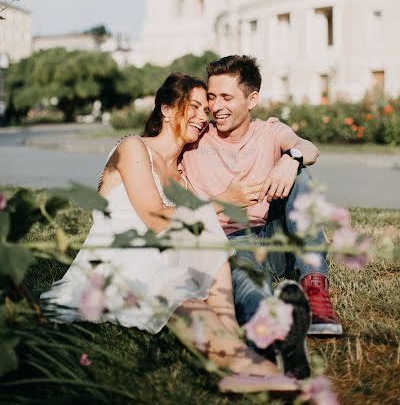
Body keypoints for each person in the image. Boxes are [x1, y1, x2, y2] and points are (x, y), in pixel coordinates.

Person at [41, 73, 298, 393]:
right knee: (177, 286)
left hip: (163, 256)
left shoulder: (181, 175)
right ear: (166, 109)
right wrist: (223, 201)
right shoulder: (133, 147)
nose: (204, 117)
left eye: (207, 110)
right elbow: (156, 218)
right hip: (119, 261)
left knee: (207, 235)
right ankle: (245, 366)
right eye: (195, 107)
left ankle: (232, 334)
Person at [180, 55, 343, 355]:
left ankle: (316, 290)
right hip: (231, 240)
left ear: (251, 98)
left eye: (227, 97)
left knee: (299, 171)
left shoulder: (269, 130)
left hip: (274, 236)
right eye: (212, 97)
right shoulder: (195, 139)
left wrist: (289, 159)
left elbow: (310, 148)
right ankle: (270, 326)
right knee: (248, 284)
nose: (216, 107)